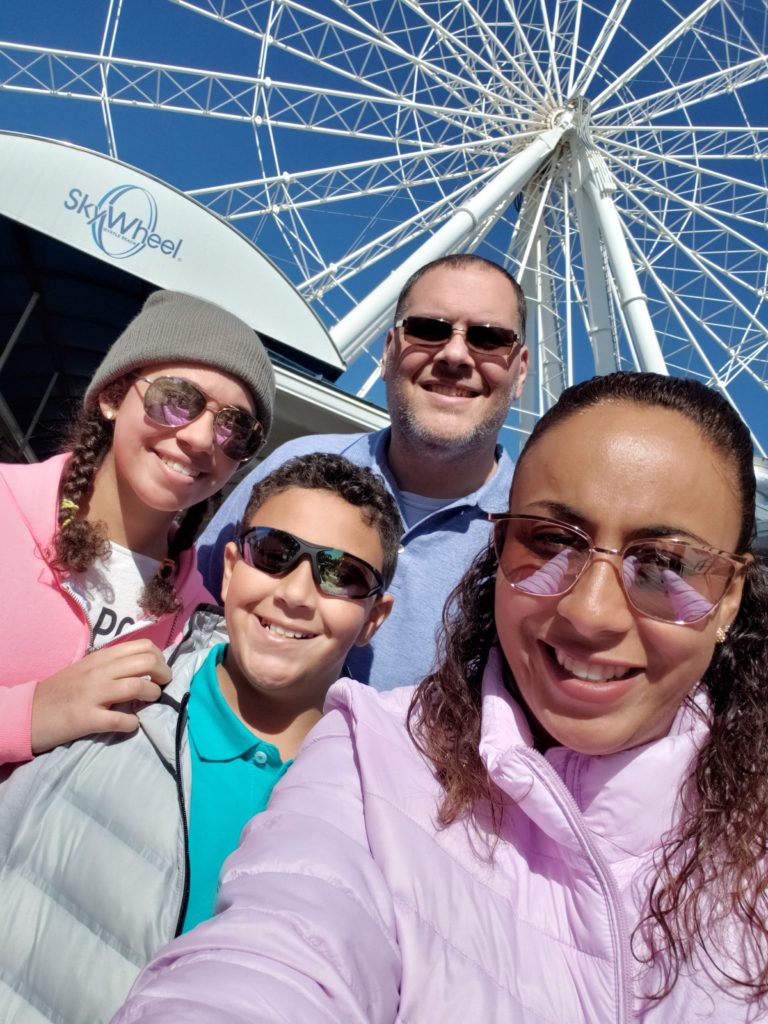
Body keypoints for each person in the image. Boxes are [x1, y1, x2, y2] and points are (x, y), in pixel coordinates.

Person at [115, 373, 768, 1023]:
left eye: (664, 565)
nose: (591, 613)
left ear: (730, 598)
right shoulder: (376, 759)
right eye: (549, 541)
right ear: (500, 545)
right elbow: (275, 956)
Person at [0, 453, 400, 1024]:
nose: (296, 593)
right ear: (232, 567)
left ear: (375, 618)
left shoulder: (382, 812)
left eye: (343, 575)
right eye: (275, 553)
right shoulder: (107, 705)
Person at [197, 253, 529, 690]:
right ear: (389, 350)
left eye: (488, 339)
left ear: (520, 370)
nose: (454, 354)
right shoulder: (295, 470)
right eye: (428, 330)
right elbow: (192, 602)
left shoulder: (534, 534)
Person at [0, 289, 276, 766]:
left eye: (236, 428)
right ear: (111, 396)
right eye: (176, 400)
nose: (200, 438)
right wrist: (29, 714)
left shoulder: (204, 622)